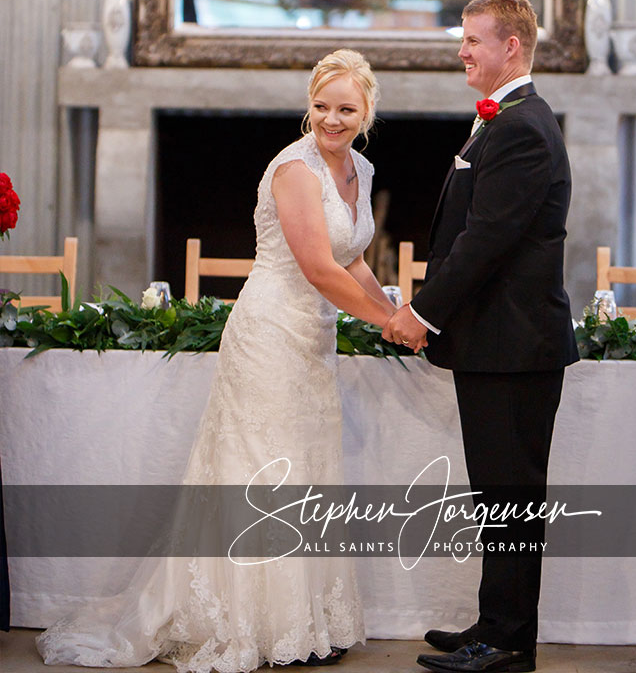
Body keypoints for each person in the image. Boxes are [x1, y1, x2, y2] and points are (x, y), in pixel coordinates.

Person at [37, 49, 399, 670]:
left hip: (311, 337)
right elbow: (315, 266)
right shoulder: (293, 169)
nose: (331, 120)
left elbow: (354, 258)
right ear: (307, 106)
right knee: (261, 467)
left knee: (307, 468)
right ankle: (255, 624)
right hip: (267, 332)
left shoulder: (360, 169)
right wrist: (387, 320)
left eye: (345, 109)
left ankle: (303, 621)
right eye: (320, 107)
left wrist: (399, 312)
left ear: (367, 112)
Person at [383, 0, 578, 673]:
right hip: (498, 343)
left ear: (512, 48)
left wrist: (421, 310)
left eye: (473, 39)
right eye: (463, 39)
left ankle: (506, 642)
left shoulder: (523, 126)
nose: (462, 51)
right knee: (499, 495)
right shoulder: (504, 121)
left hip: (515, 344)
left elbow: (486, 239)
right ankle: (497, 625)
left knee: (512, 495)